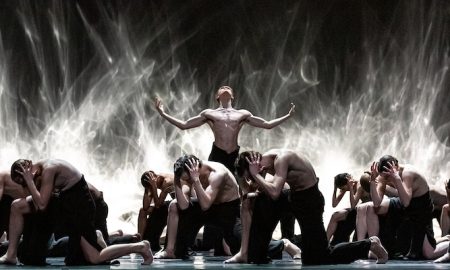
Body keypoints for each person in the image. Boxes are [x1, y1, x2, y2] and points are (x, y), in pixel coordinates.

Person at [155, 86, 295, 253]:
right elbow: (185, 125)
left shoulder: (242, 114)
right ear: (217, 96)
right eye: (222, 88)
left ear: (233, 96)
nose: (225, 88)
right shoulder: (210, 113)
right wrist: (162, 114)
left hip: (234, 156)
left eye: (228, 88)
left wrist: (288, 116)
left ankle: (238, 237)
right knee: (210, 196)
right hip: (218, 155)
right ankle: (210, 242)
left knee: (236, 197)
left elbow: (267, 125)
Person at [226, 150, 388, 265]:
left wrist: (254, 175)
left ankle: (370, 244)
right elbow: (252, 192)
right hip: (292, 196)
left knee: (318, 258)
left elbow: (274, 192)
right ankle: (250, 253)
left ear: (256, 166)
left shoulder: (281, 159)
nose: (252, 180)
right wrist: (244, 179)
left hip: (309, 200)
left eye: (251, 176)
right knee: (257, 201)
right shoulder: (264, 165)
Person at [0, 159, 153, 266]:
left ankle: (140, 247)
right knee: (16, 206)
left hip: (79, 206)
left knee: (93, 258)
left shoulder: (48, 169)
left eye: (25, 180)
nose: (26, 185)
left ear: (30, 167)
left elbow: (41, 205)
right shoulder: (37, 172)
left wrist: (29, 181)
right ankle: (11, 254)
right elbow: (41, 200)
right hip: (65, 203)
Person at [156, 155, 241, 259]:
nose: (186, 180)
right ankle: (169, 250)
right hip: (208, 205)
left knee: (242, 249)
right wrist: (177, 180)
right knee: (174, 205)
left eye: (187, 178)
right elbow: (183, 206)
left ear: (196, 169)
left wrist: (196, 180)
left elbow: (205, 205)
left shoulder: (217, 173)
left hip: (228, 210)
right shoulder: (187, 174)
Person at [368, 155, 448, 260]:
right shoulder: (384, 176)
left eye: (389, 176)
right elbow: (377, 202)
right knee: (373, 208)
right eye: (385, 177)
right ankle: (376, 244)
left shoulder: (408, 173)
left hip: (420, 207)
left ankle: (447, 242)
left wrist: (396, 178)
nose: (387, 180)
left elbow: (406, 201)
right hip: (403, 203)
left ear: (396, 166)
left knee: (429, 254)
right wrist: (373, 181)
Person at [327, 172, 371, 245]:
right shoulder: (345, 188)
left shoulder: (359, 185)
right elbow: (334, 204)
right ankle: (325, 242)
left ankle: (326, 242)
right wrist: (335, 189)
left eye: (343, 188)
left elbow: (353, 205)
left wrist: (350, 188)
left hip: (367, 209)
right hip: (359, 209)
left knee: (336, 216)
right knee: (335, 216)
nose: (342, 189)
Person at [138, 170, 174, 252]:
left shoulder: (166, 182)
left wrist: (154, 187)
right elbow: (145, 206)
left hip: (181, 204)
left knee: (160, 209)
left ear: (156, 177)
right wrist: (147, 189)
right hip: (170, 203)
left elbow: (158, 205)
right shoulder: (153, 182)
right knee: (142, 211)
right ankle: (139, 240)